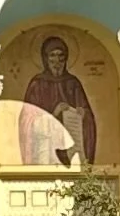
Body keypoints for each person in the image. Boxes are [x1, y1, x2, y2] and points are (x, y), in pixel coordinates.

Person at [18, 35, 97, 168]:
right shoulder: (37, 84)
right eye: (52, 55)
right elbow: (27, 120)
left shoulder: (73, 83)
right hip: (45, 149)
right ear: (45, 58)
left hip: (70, 145)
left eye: (61, 56)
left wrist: (82, 114)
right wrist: (54, 113)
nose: (57, 60)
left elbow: (88, 118)